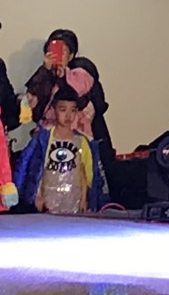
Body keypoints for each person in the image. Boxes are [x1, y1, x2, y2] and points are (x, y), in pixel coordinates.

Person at [15, 86, 106, 214]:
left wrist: (84, 199)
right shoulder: (44, 139)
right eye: (63, 110)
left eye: (73, 110)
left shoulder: (83, 141)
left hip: (74, 203)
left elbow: (85, 173)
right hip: (48, 203)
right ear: (53, 110)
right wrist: (36, 195)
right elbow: (30, 166)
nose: (68, 115)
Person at [23, 29, 112, 149]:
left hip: (78, 138)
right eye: (51, 50)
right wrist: (45, 72)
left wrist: (63, 76)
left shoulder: (81, 73)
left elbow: (77, 98)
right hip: (48, 138)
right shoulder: (42, 76)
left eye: (63, 51)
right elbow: (34, 110)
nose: (56, 55)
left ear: (70, 56)